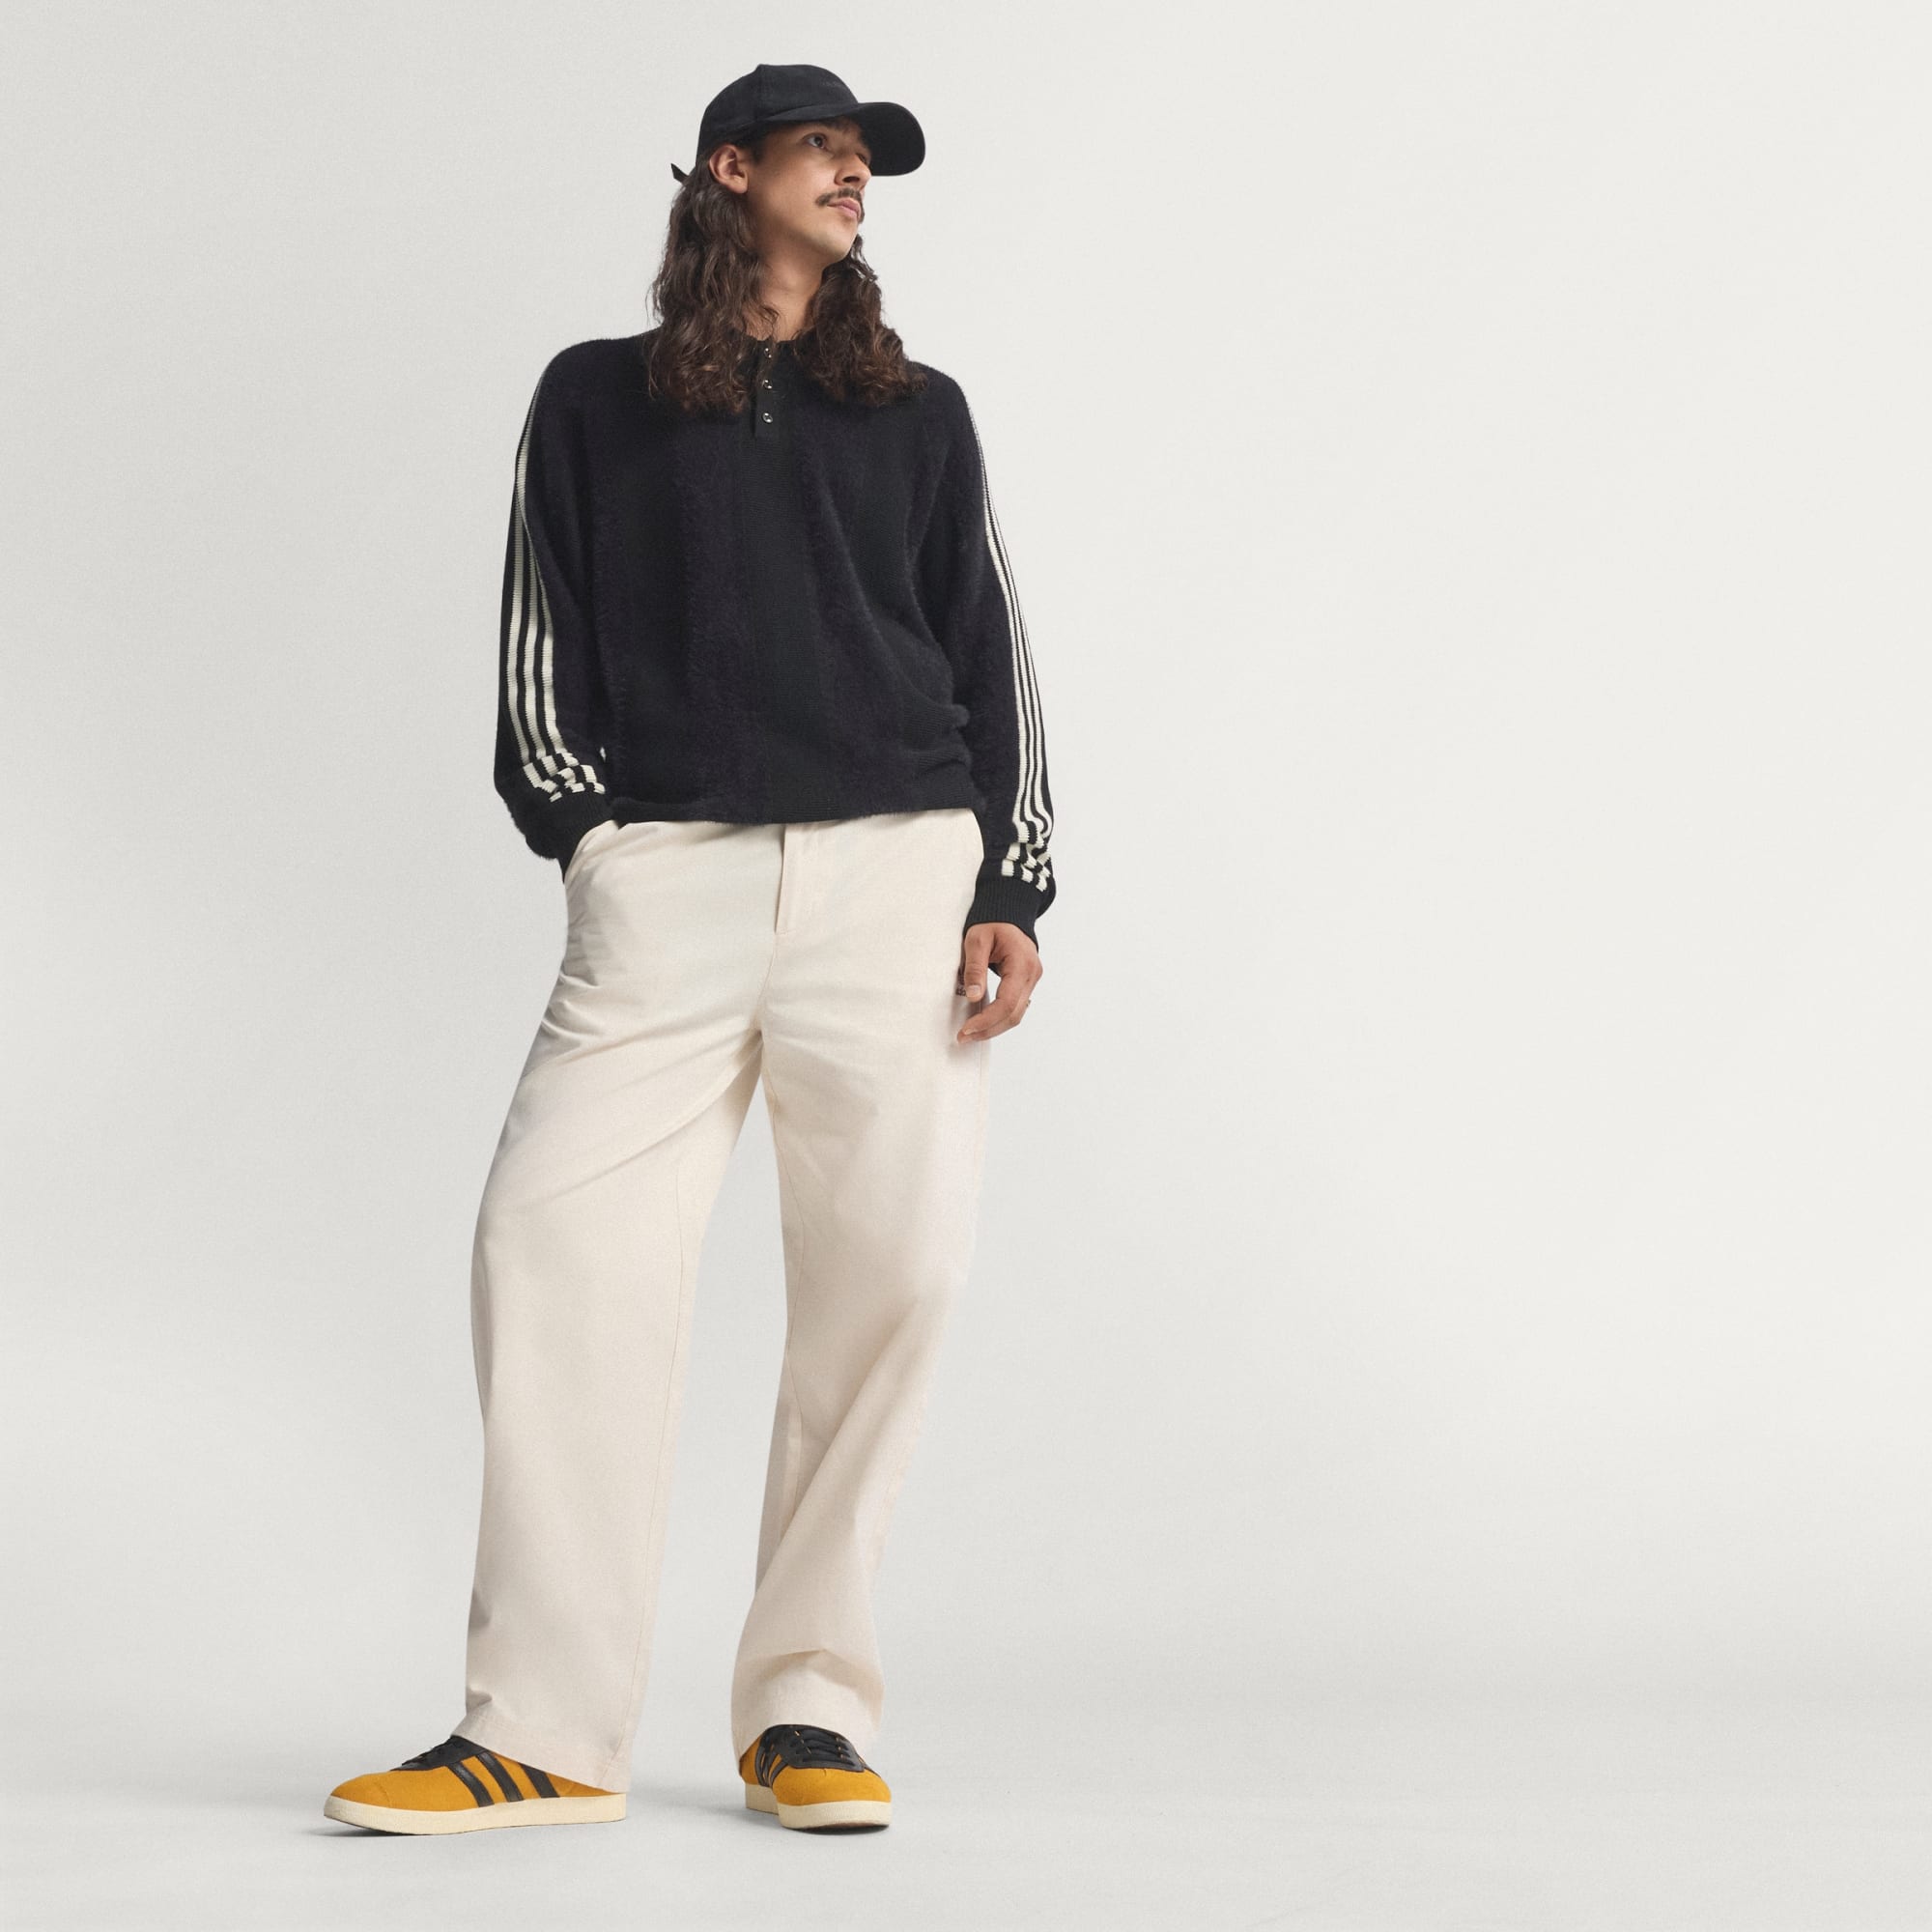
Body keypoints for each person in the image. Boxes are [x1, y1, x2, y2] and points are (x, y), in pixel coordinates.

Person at [324, 63, 1057, 1839]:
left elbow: (989, 643)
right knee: (552, 1247)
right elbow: (542, 635)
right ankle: (543, 1728)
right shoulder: (596, 397)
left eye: (869, 161)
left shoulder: (920, 410)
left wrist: (1012, 886)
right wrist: (593, 841)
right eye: (826, 150)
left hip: (898, 873)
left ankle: (808, 1707)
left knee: (892, 1278)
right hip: (670, 882)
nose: (856, 177)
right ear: (731, 168)